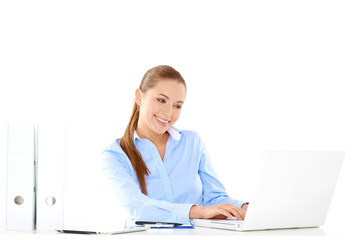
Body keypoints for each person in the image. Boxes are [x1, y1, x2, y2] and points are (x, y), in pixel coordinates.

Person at [101, 65, 248, 223]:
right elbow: (138, 207)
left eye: (177, 105)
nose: (169, 113)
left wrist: (243, 208)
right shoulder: (115, 154)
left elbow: (215, 198)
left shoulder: (192, 142)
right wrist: (196, 211)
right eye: (161, 100)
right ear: (139, 97)